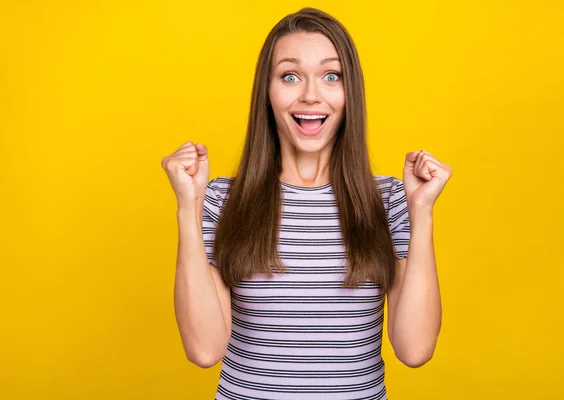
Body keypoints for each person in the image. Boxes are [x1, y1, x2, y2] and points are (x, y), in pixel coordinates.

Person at [161, 7, 451, 400]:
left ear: (351, 93)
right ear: (267, 91)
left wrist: (421, 212)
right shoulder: (222, 200)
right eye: (290, 76)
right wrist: (188, 208)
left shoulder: (390, 200)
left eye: (332, 76)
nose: (311, 95)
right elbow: (204, 349)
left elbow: (415, 350)